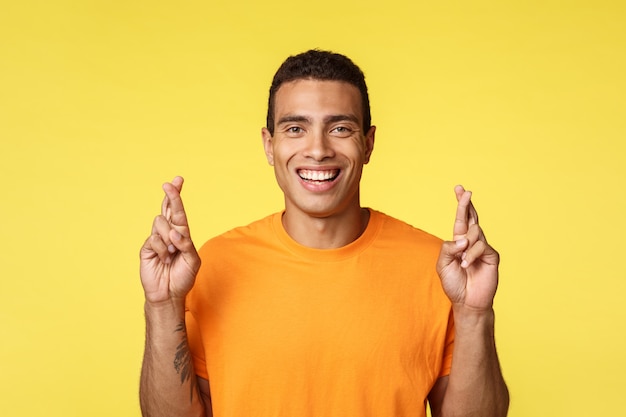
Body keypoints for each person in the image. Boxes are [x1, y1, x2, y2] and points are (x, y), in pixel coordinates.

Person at [139, 50, 509, 417]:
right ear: (270, 145)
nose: (318, 150)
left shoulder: (437, 268)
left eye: (340, 128)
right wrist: (162, 306)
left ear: (368, 144)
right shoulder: (216, 264)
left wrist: (475, 312)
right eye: (296, 128)